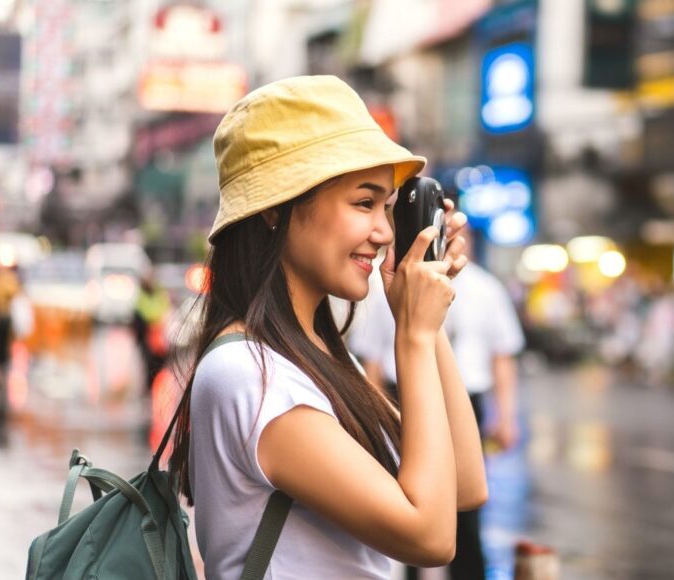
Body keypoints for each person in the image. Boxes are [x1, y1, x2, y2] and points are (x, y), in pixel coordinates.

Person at [166, 75, 487, 578]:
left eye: (386, 206)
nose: (383, 232)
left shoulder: (311, 356)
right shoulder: (249, 375)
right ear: (274, 207)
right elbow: (431, 537)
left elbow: (465, 485)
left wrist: (422, 307)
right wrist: (415, 337)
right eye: (364, 203)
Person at [349, 226, 525, 580]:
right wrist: (371, 418)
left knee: (463, 515)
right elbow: (374, 361)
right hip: (401, 396)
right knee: (412, 500)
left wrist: (506, 416)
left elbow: (502, 356)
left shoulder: (485, 288)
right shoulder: (387, 282)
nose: (381, 233)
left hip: (465, 397)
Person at [133, 270, 171, 392]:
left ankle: (154, 386)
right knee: (150, 363)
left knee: (156, 363)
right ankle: (151, 387)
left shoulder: (157, 294)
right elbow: (151, 313)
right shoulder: (143, 298)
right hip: (149, 337)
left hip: (157, 337)